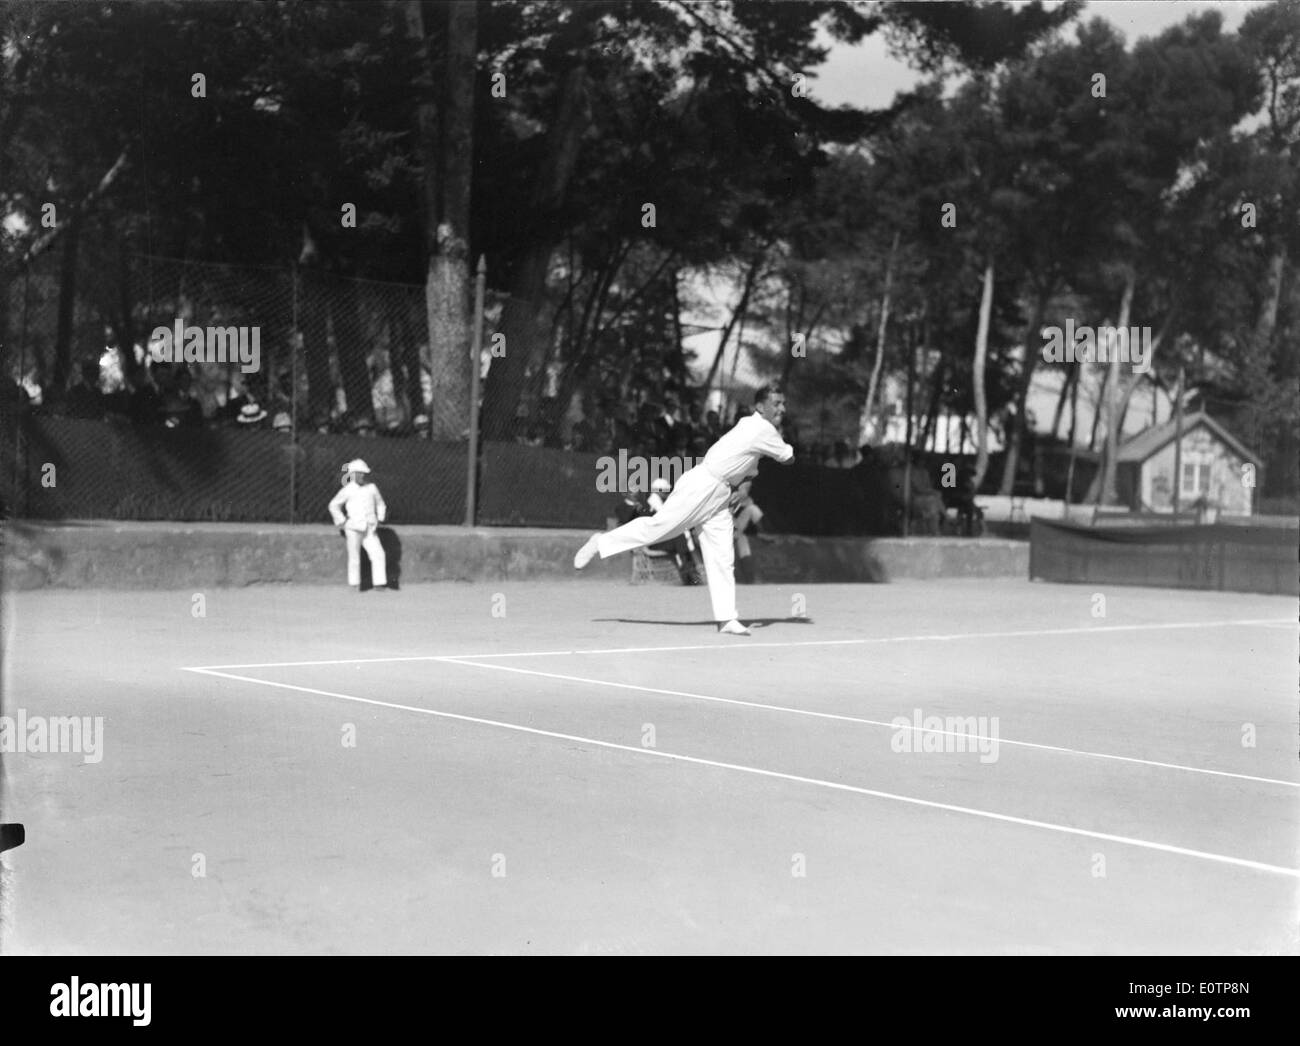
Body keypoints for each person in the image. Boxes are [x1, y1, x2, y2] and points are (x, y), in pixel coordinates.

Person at [574, 384, 794, 635]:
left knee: (722, 554)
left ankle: (726, 619)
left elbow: (746, 462)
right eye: (776, 404)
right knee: (658, 530)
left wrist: (741, 480)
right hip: (702, 486)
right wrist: (782, 442)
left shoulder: (752, 425)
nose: (782, 409)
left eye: (783, 403)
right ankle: (601, 542)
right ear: (760, 407)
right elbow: (788, 458)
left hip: (720, 493)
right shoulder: (763, 429)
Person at [328, 458, 389, 591]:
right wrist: (342, 521)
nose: (361, 475)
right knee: (354, 556)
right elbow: (334, 505)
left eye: (363, 473)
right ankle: (354, 584)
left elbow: (380, 504)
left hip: (370, 528)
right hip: (353, 528)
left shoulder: (372, 488)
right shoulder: (347, 490)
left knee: (378, 553)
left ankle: (379, 583)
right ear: (352, 474)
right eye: (358, 473)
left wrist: (380, 518)